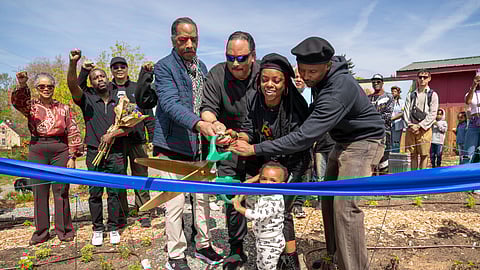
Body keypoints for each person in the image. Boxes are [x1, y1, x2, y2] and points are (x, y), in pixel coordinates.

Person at [230, 36, 385, 270]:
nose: (306, 76)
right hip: (342, 142)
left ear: (328, 65)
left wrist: (255, 149)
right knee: (328, 199)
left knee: (346, 208)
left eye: (312, 71)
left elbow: (303, 137)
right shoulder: (319, 81)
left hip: (363, 142)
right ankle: (333, 259)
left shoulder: (338, 89)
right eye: (302, 70)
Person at [151, 17, 223, 270]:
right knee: (175, 203)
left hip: (200, 146)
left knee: (202, 199)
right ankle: (176, 254)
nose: (189, 44)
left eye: (194, 39)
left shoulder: (201, 67)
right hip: (171, 146)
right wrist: (198, 124)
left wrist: (214, 122)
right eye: (183, 39)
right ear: (173, 39)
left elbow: (208, 103)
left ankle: (203, 245)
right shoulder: (164, 67)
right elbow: (169, 104)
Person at [231, 53, 310, 269]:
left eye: (276, 80)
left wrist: (255, 151)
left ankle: (290, 260)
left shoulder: (297, 107)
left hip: (293, 163)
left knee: (282, 211)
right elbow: (248, 129)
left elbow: (294, 143)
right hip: (268, 164)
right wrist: (238, 139)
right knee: (267, 207)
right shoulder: (253, 99)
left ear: (285, 84)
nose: (269, 85)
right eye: (265, 79)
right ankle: (269, 250)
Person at [200, 31, 259, 269]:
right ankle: (236, 250)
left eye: (242, 58)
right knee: (231, 195)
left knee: (272, 195)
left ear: (253, 57)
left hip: (259, 145)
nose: (235, 63)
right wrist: (214, 124)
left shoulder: (264, 74)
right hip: (230, 146)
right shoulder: (217, 73)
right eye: (230, 57)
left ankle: (279, 248)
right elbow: (207, 108)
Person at [78, 57, 155, 228]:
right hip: (115, 143)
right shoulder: (108, 88)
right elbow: (83, 91)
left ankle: (143, 211)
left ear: (127, 68)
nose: (119, 69)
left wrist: (152, 137)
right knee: (119, 179)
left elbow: (148, 112)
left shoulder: (136, 88)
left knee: (140, 176)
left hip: (136, 139)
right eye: (115, 67)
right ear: (110, 71)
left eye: (122, 66)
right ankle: (121, 213)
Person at [12, 71, 83, 245]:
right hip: (37, 149)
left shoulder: (64, 108)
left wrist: (72, 156)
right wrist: (22, 85)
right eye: (42, 86)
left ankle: (64, 230)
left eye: (49, 86)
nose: (46, 89)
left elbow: (73, 130)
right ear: (36, 88)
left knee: (61, 191)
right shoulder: (31, 106)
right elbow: (17, 102)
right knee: (39, 192)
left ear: (53, 88)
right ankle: (41, 233)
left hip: (60, 149)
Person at [67, 49, 130, 246]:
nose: (100, 79)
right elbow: (72, 85)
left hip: (116, 153)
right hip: (94, 152)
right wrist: (74, 64)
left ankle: (113, 227)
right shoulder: (87, 98)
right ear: (91, 82)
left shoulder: (120, 100)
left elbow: (129, 126)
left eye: (102, 76)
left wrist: (113, 134)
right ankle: (97, 228)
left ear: (108, 78)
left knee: (114, 192)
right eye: (95, 78)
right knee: (95, 192)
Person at [232, 161, 288, 270]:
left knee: (268, 267)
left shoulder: (275, 199)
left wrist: (239, 208)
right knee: (261, 264)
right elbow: (247, 185)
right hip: (262, 240)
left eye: (273, 180)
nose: (267, 183)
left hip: (271, 243)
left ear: (282, 184)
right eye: (264, 178)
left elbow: (258, 215)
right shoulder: (266, 193)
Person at [403, 69, 439, 170]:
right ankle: (413, 176)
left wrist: (420, 125)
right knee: (413, 154)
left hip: (425, 129)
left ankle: (422, 177)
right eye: (420, 77)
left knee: (424, 155)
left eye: (425, 77)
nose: (422, 79)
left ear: (429, 79)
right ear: (417, 79)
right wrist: (410, 125)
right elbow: (406, 112)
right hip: (411, 128)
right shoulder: (411, 95)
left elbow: (433, 113)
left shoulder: (433, 94)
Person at [368, 74, 394, 175]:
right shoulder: (368, 98)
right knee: (372, 160)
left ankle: (384, 185)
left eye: (378, 81)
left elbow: (387, 115)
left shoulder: (389, 97)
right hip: (370, 133)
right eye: (373, 82)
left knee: (384, 160)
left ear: (382, 83)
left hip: (384, 131)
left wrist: (372, 120)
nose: (375, 84)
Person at [391, 86, 405, 153]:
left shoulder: (401, 102)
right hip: (389, 124)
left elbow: (402, 113)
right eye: (392, 92)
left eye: (395, 91)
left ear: (398, 93)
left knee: (396, 141)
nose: (393, 93)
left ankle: (395, 154)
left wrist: (393, 118)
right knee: (389, 140)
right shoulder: (390, 101)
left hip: (397, 123)